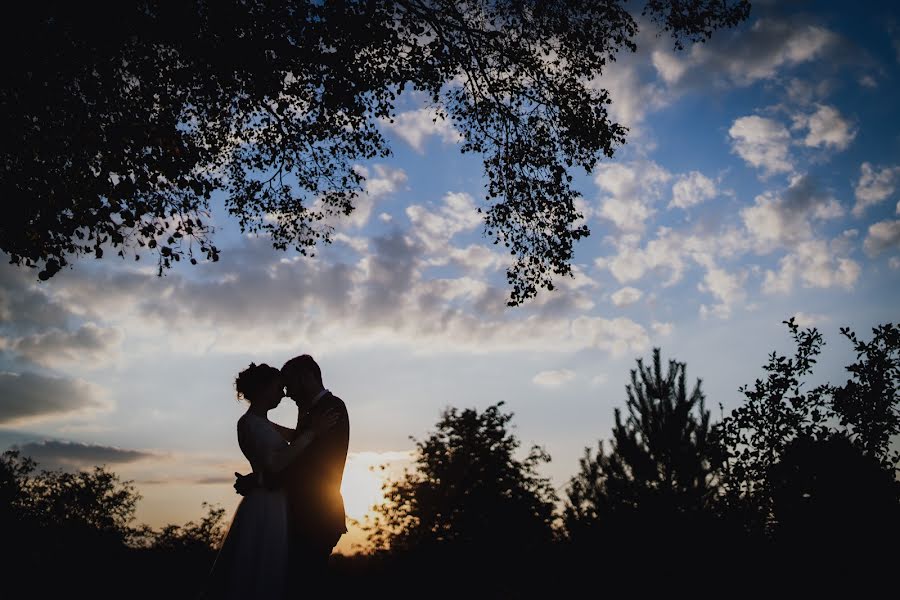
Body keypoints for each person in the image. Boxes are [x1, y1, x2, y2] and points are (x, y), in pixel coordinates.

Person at [204, 362, 338, 600]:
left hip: (276, 499)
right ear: (264, 389)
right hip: (265, 503)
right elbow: (277, 462)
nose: (283, 394)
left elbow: (296, 441)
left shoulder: (265, 424)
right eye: (278, 388)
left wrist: (306, 417)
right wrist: (313, 433)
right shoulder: (247, 423)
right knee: (260, 565)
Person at [234, 354, 350, 595]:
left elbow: (311, 468)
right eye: (281, 386)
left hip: (317, 514)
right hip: (298, 514)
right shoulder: (312, 414)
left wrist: (258, 480)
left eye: (289, 384)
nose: (287, 393)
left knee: (303, 585)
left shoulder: (330, 409)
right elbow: (299, 447)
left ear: (306, 378)